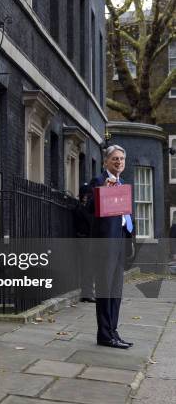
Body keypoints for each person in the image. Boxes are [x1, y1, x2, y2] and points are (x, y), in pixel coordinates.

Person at [87, 144, 134, 349]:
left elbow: (125, 216)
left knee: (116, 291)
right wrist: (104, 190)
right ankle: (104, 335)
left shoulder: (123, 183)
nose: (119, 162)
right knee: (105, 290)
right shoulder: (98, 181)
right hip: (104, 246)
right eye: (115, 159)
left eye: (122, 159)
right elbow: (87, 208)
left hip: (120, 242)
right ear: (106, 161)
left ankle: (113, 332)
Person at [74, 183, 95, 302]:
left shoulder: (88, 209)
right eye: (86, 195)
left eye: (89, 195)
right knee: (87, 268)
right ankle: (87, 293)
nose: (87, 197)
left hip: (90, 241)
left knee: (90, 268)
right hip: (84, 241)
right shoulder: (79, 209)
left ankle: (88, 292)